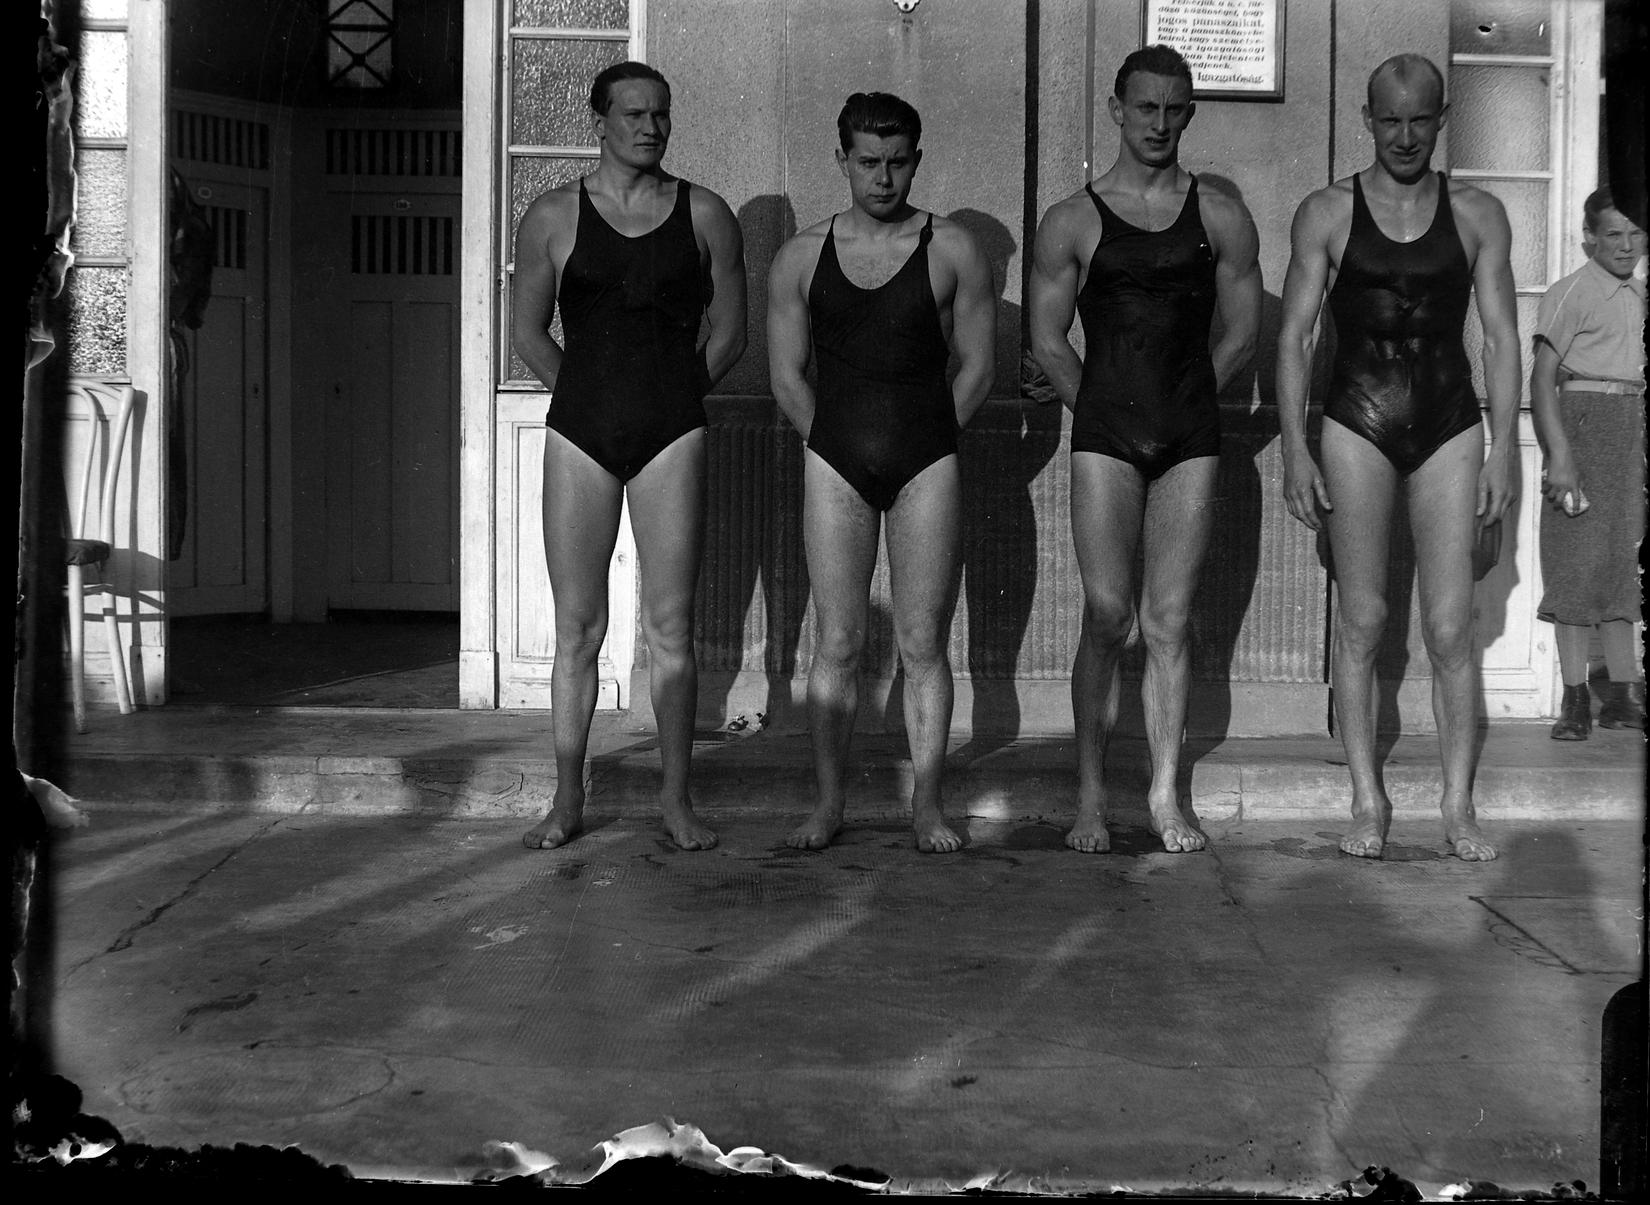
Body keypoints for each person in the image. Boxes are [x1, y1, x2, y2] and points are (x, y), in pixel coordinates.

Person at [1277, 53, 1519, 861]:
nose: (1406, 136)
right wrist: (1295, 447)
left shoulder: (1479, 213)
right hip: (1357, 420)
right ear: (1368, 119)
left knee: (1450, 628)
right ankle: (1366, 798)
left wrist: (1504, 454)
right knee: (1365, 618)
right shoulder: (1326, 212)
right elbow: (1295, 337)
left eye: (1421, 120)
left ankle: (1457, 804)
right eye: (1391, 120)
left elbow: (1502, 337)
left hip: (1448, 422)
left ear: (1442, 119)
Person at [1028, 45, 1261, 855]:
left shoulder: (1221, 216)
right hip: (1106, 437)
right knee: (1107, 614)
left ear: (1189, 112)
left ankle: (1164, 792)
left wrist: (1189, 396)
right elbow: (1047, 336)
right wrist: (1099, 407)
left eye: (1173, 109)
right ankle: (1091, 795)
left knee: (1168, 620)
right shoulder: (1074, 218)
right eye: (1145, 107)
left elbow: (1242, 331)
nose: (1159, 123)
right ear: (1117, 110)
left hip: (1190, 436)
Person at [511, 61, 747, 851]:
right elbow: (527, 332)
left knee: (671, 624)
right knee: (578, 626)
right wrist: (588, 395)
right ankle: (566, 796)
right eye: (634, 114)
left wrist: (671, 396)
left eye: (662, 114)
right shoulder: (553, 215)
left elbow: (732, 333)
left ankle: (675, 798)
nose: (650, 127)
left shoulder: (705, 214)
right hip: (581, 434)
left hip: (671, 433)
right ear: (599, 122)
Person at [767, 92, 995, 852]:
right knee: (837, 640)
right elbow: (786, 375)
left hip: (926, 463)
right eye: (868, 161)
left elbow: (978, 367)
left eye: (898, 162)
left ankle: (927, 805)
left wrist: (928, 438)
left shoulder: (953, 248)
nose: (884, 177)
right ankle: (829, 803)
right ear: (842, 160)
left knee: (924, 642)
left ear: (917, 160)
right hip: (835, 463)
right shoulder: (803, 255)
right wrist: (830, 441)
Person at [1531, 188, 1646, 739]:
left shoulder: (1640, 295)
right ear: (1589, 239)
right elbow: (1541, 380)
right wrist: (1560, 457)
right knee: (1576, 565)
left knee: (1625, 562)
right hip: (1582, 427)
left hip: (1631, 432)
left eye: (1635, 233)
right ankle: (1575, 698)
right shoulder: (1571, 292)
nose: (1625, 245)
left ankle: (1624, 695)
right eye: (1613, 234)